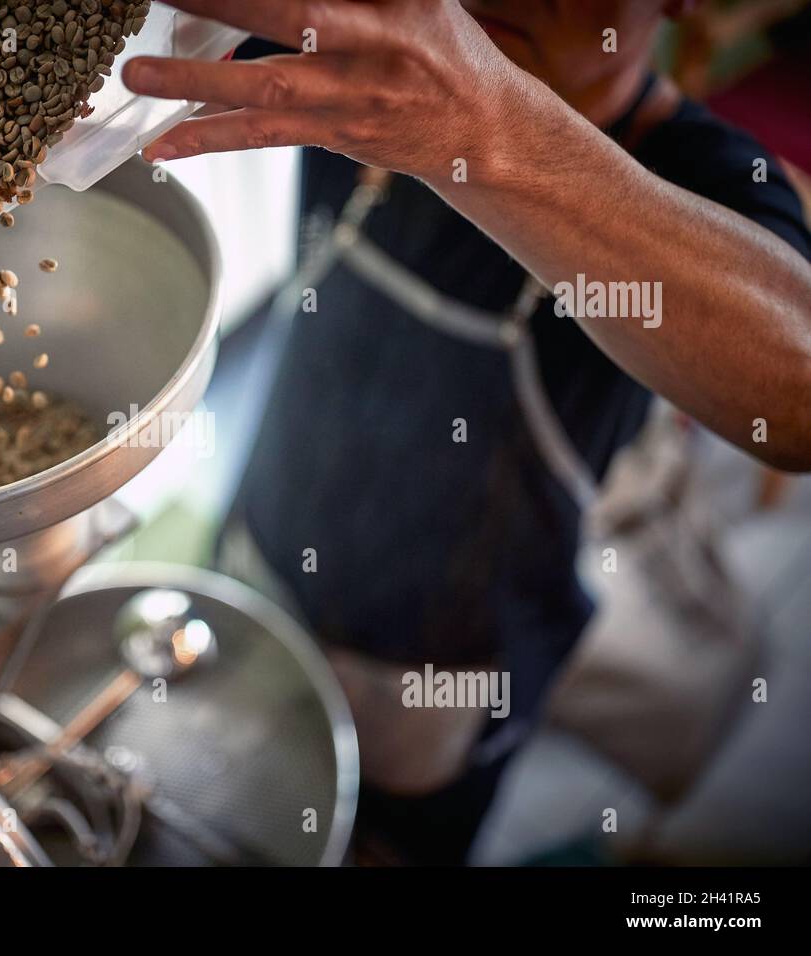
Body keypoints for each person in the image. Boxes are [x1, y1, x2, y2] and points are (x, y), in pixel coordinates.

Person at [122, 0, 811, 863]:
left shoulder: (699, 172)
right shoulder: (362, 68)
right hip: (268, 546)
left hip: (442, 677)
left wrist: (485, 131)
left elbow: (798, 394)